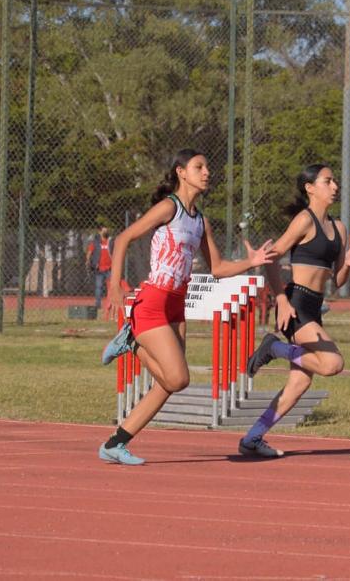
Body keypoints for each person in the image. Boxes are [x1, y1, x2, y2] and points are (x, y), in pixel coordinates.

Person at [99, 149, 277, 465]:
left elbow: (218, 268)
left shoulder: (201, 222)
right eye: (199, 167)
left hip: (176, 305)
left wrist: (251, 262)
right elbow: (124, 237)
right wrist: (114, 287)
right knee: (178, 378)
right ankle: (131, 341)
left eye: (207, 166)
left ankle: (116, 443)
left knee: (168, 384)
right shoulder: (169, 207)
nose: (206, 171)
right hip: (153, 301)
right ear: (181, 172)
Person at [240, 164, 350, 458]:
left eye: (335, 180)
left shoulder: (339, 228)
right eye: (328, 181)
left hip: (314, 306)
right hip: (296, 303)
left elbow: (337, 281)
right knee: (332, 364)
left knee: (299, 382)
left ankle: (252, 438)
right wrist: (281, 300)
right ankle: (273, 348)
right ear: (310, 188)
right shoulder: (304, 220)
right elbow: (271, 259)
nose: (335, 185)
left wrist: (347, 262)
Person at [85, 226, 113, 311]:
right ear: (100, 232)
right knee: (98, 287)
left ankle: (111, 304)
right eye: (104, 230)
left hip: (110, 268)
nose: (106, 231)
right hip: (99, 269)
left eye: (106, 229)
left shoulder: (110, 242)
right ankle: (98, 304)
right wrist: (88, 261)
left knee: (112, 286)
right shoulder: (95, 242)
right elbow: (89, 252)